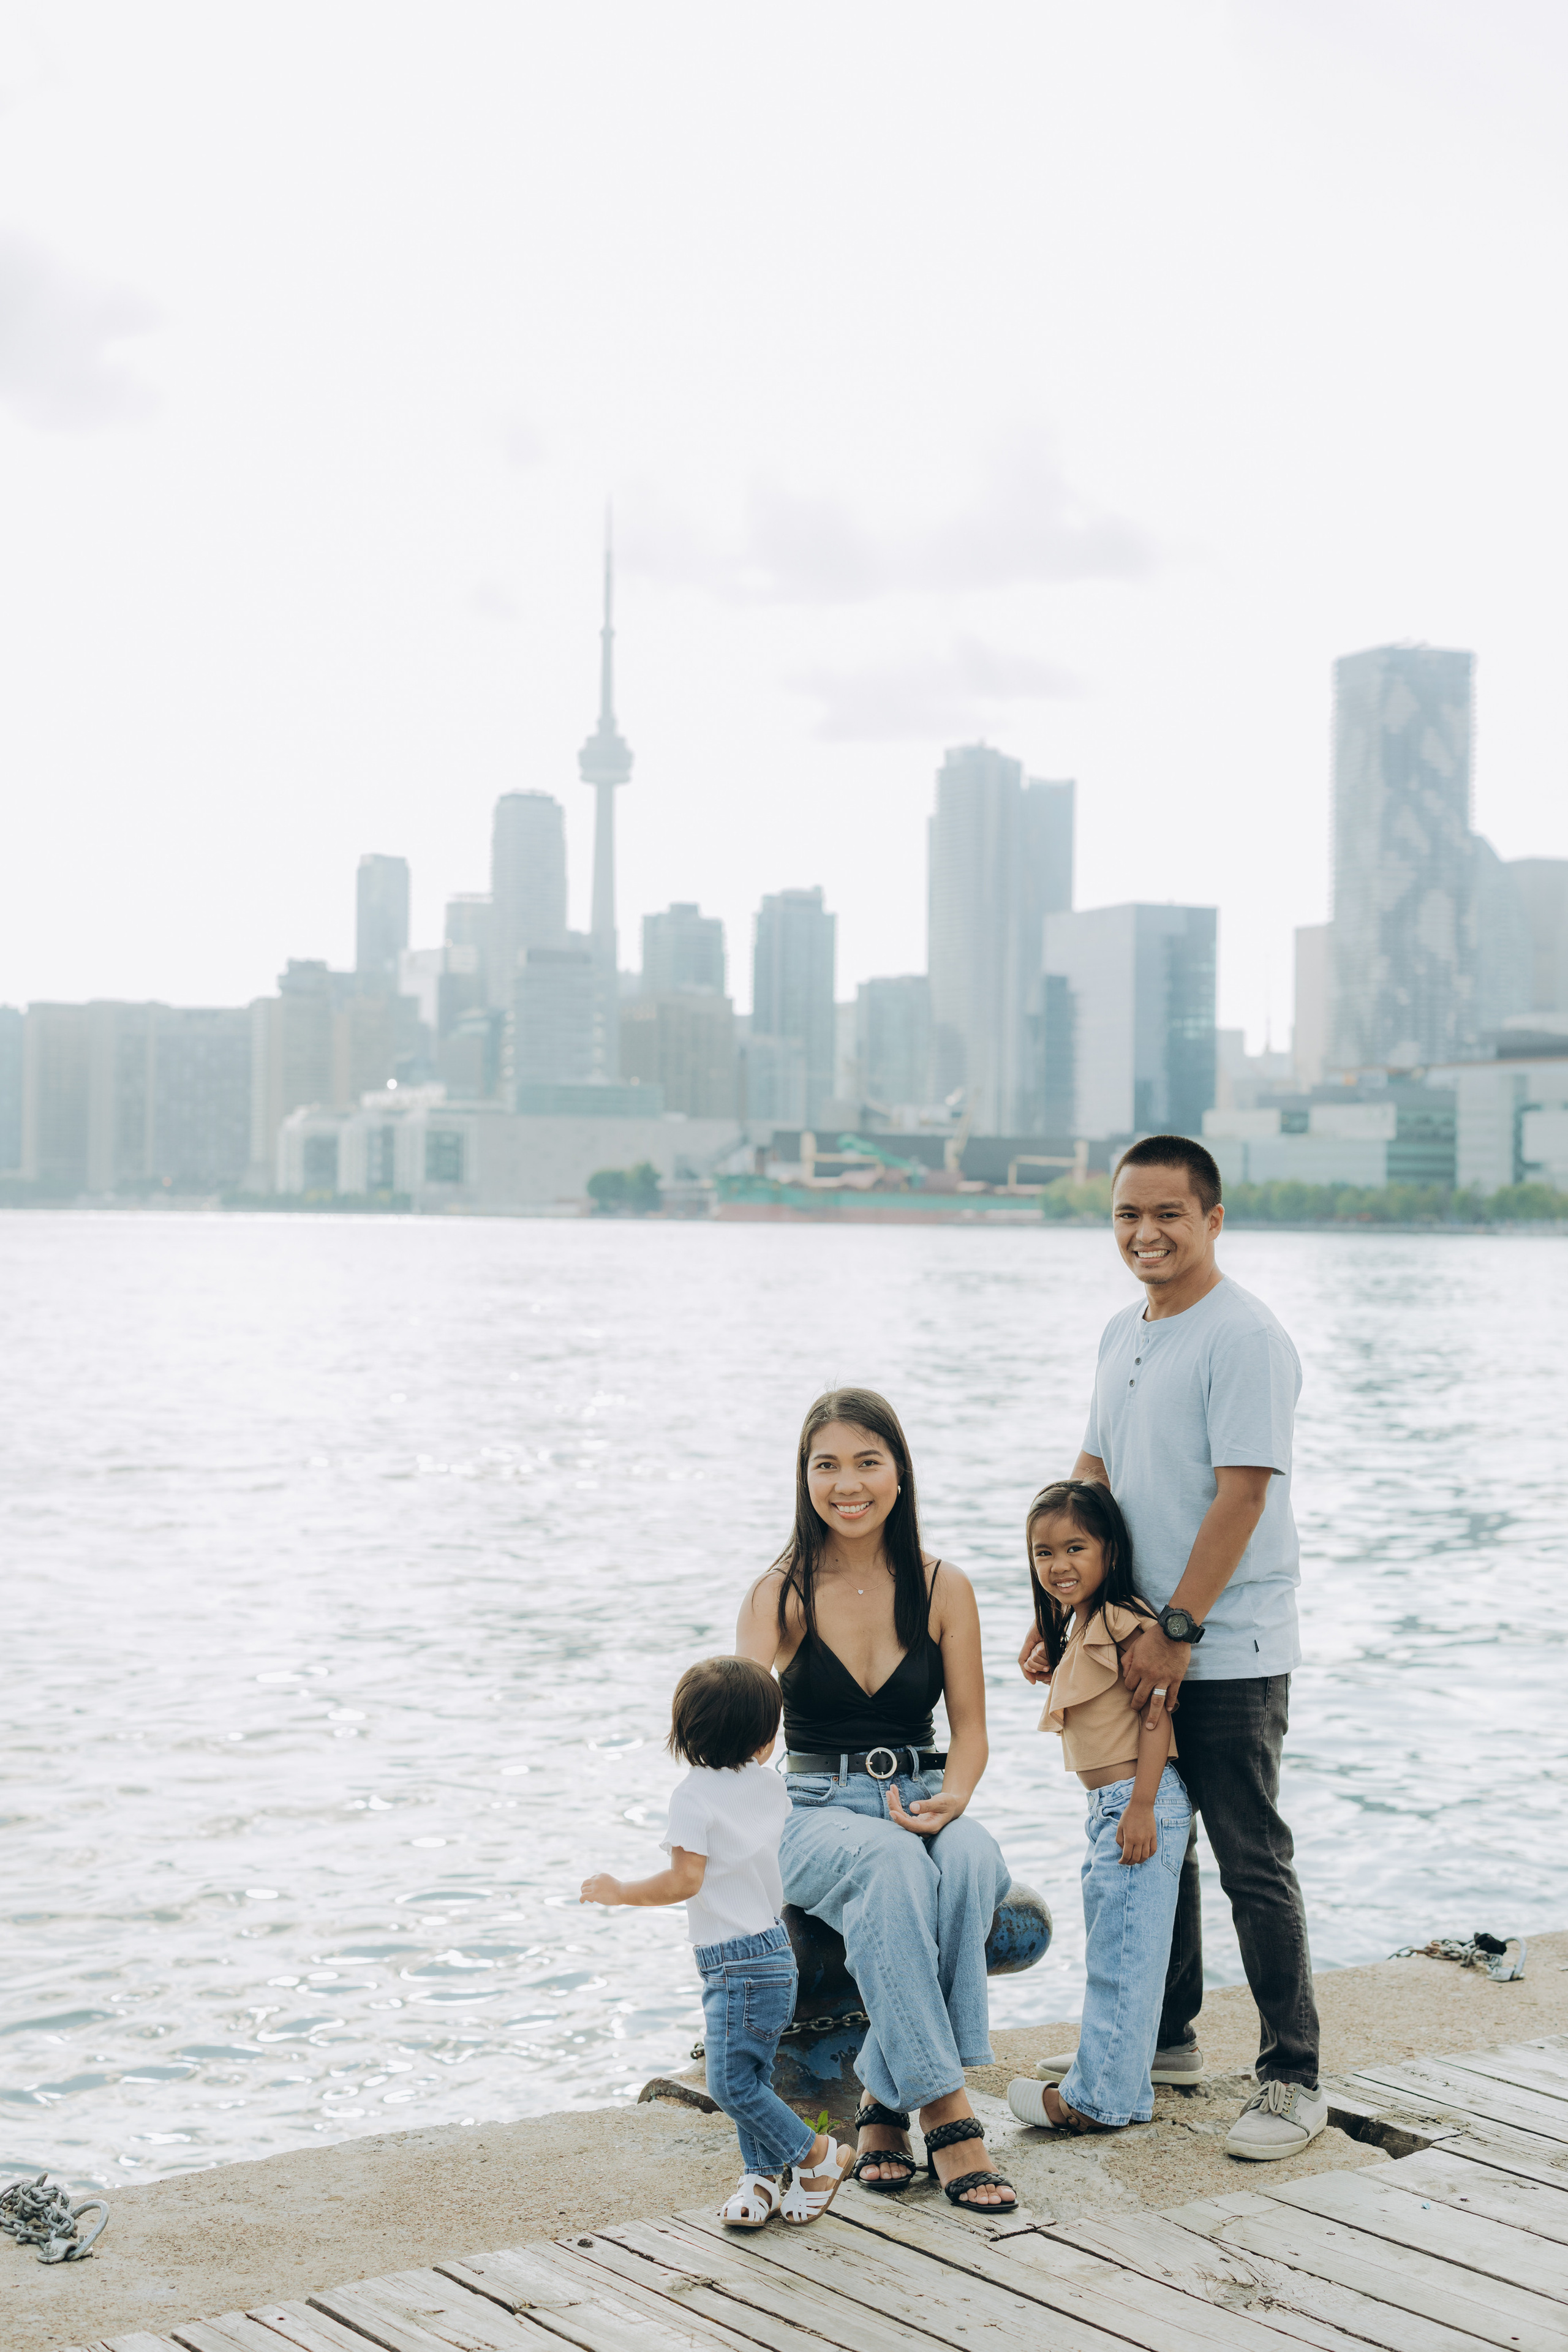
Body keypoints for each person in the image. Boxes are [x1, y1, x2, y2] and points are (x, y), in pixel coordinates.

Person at [1019, 1134, 1326, 2160]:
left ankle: (1292, 2076)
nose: (1145, 1234)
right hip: (1128, 1640)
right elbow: (1093, 1475)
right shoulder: (1123, 1331)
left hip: (1223, 1645)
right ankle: (1167, 2038)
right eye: (1126, 1216)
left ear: (1213, 1220)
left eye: (1169, 1216)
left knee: (1249, 1856)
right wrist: (1058, 1600)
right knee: (1155, 1848)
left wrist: (1179, 1631)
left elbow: (1243, 1497)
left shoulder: (1243, 1337)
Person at [736, 1387, 1017, 2211]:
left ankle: (884, 2106)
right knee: (892, 1864)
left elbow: (971, 1732)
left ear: (899, 1475)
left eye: (867, 1461)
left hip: (923, 1794)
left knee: (971, 1860)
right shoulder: (778, 1593)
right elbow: (747, 1738)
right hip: (813, 1811)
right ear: (805, 1478)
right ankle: (947, 2110)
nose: (846, 1483)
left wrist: (955, 1799)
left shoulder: (942, 1587)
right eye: (826, 1465)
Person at [580, 1654, 853, 2226]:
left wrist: (620, 1890)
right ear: (764, 1738)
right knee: (752, 2076)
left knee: (730, 2085)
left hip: (734, 1963)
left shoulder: (693, 1797)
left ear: (684, 1730)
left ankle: (816, 2155)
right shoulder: (770, 1785)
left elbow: (685, 1880)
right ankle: (760, 2182)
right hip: (775, 1953)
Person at [1005, 1480, 1192, 2134]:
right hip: (1111, 1808)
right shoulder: (1085, 1624)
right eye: (1043, 1553)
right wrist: (1046, 1659)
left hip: (1136, 1804)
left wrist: (1140, 1806)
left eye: (1075, 1548)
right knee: (1119, 1952)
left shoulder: (1124, 1622)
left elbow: (1155, 1717)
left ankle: (1097, 2100)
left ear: (1109, 1552)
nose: (1058, 1565)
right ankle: (1120, 2089)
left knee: (1121, 1959)